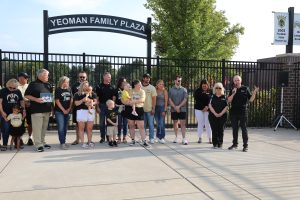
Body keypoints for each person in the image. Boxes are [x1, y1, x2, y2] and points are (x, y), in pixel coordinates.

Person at [227, 75, 259, 152]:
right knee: (235, 129)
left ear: (240, 81)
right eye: (235, 80)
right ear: (233, 81)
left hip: (243, 111)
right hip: (234, 112)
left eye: (238, 80)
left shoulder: (245, 88)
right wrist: (233, 93)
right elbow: (229, 100)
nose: (236, 81)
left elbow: (250, 100)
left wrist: (254, 93)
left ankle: (245, 146)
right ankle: (235, 144)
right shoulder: (232, 89)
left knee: (244, 128)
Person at [25, 69, 53, 152]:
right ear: (41, 75)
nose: (48, 76)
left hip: (47, 110)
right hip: (37, 110)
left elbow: (50, 97)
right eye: (47, 75)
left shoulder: (48, 84)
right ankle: (38, 145)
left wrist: (51, 108)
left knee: (44, 128)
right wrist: (36, 99)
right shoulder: (33, 84)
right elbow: (26, 95)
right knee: (37, 128)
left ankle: (43, 142)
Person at [122, 80, 150, 148]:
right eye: (139, 85)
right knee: (131, 126)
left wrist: (133, 101)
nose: (140, 86)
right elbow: (123, 99)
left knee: (141, 126)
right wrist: (128, 103)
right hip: (130, 109)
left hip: (139, 109)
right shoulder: (130, 90)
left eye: (141, 84)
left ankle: (144, 141)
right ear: (135, 85)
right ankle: (132, 140)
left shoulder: (142, 91)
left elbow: (142, 100)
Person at [0, 79, 25, 151]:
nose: (12, 89)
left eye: (14, 88)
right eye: (10, 87)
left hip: (16, 113)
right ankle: (5, 144)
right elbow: (0, 103)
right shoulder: (2, 91)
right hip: (6, 113)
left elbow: (21, 101)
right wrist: (2, 112)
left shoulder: (18, 91)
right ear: (7, 85)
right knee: (6, 129)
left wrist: (23, 110)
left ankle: (17, 144)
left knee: (17, 128)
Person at [74, 81, 97, 148]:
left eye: (87, 85)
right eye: (84, 85)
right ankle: (83, 143)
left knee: (89, 128)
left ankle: (89, 142)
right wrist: (82, 100)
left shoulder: (92, 93)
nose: (86, 87)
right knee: (81, 128)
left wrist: (91, 104)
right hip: (81, 112)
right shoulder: (77, 94)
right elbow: (76, 104)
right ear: (81, 86)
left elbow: (96, 102)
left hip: (90, 111)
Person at [95, 72, 116, 143]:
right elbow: (97, 98)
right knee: (101, 123)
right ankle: (102, 137)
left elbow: (113, 98)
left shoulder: (112, 87)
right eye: (107, 77)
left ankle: (108, 137)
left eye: (110, 77)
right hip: (102, 106)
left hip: (110, 107)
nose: (109, 78)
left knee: (109, 123)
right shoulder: (99, 86)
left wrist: (113, 107)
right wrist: (97, 107)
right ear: (104, 77)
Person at [169, 75, 188, 145]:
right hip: (174, 109)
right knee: (175, 123)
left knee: (183, 123)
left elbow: (185, 99)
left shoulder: (184, 89)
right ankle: (176, 137)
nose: (179, 82)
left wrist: (179, 107)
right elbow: (170, 99)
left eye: (180, 81)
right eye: (178, 80)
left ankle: (184, 138)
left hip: (182, 109)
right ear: (175, 81)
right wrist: (175, 107)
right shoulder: (171, 90)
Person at [54, 76, 73, 150]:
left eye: (68, 82)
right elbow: (57, 101)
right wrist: (63, 110)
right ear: (62, 82)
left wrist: (68, 109)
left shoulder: (69, 89)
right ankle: (62, 143)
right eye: (66, 82)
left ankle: (63, 142)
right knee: (61, 128)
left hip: (67, 111)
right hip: (59, 111)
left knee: (65, 128)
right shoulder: (58, 90)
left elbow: (71, 100)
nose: (67, 83)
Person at [208, 82, 228, 148]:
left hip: (223, 116)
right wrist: (215, 114)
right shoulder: (211, 96)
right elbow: (210, 106)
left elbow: (226, 106)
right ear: (214, 89)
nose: (218, 89)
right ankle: (215, 143)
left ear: (222, 89)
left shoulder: (224, 97)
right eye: (216, 88)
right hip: (213, 116)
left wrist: (220, 114)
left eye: (220, 88)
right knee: (214, 129)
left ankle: (220, 143)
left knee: (221, 129)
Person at [71, 71, 88, 145]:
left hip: (87, 108)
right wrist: (71, 107)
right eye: (80, 77)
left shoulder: (88, 85)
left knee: (88, 125)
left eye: (83, 77)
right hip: (77, 108)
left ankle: (88, 140)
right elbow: (72, 97)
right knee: (78, 125)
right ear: (78, 77)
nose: (82, 78)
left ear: (86, 77)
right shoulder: (74, 85)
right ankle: (77, 139)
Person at [194, 79, 212, 144]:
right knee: (200, 123)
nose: (204, 86)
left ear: (208, 85)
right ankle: (200, 138)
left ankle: (210, 138)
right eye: (203, 85)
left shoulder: (211, 91)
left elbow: (211, 100)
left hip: (207, 109)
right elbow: (197, 100)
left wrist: (207, 107)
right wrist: (202, 108)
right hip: (199, 109)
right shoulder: (197, 91)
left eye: (205, 85)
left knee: (207, 124)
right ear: (201, 85)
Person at [17, 72, 33, 146]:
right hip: (18, 108)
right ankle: (19, 139)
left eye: (21, 78)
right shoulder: (16, 86)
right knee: (19, 123)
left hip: (29, 107)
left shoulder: (30, 86)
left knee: (30, 123)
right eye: (19, 78)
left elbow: (33, 95)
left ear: (26, 79)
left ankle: (30, 138)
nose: (19, 80)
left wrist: (29, 101)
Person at [142, 73, 157, 144]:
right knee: (143, 125)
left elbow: (154, 99)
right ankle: (143, 138)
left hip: (149, 109)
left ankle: (151, 138)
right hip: (141, 109)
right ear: (143, 78)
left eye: (148, 78)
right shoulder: (140, 87)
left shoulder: (152, 88)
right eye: (146, 78)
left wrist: (153, 108)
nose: (147, 79)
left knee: (151, 124)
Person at [154, 80, 168, 144]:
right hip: (156, 108)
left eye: (162, 84)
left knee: (161, 123)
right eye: (160, 84)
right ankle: (157, 136)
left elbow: (166, 102)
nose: (161, 85)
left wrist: (164, 110)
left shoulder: (164, 91)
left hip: (162, 107)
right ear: (157, 85)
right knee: (157, 123)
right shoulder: (155, 91)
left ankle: (162, 137)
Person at [115, 77, 128, 143]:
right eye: (123, 82)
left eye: (125, 82)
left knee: (125, 123)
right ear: (120, 82)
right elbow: (114, 99)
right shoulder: (116, 89)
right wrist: (116, 105)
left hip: (126, 108)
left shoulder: (127, 90)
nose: (124, 83)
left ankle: (124, 137)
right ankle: (119, 137)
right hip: (119, 107)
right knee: (119, 123)